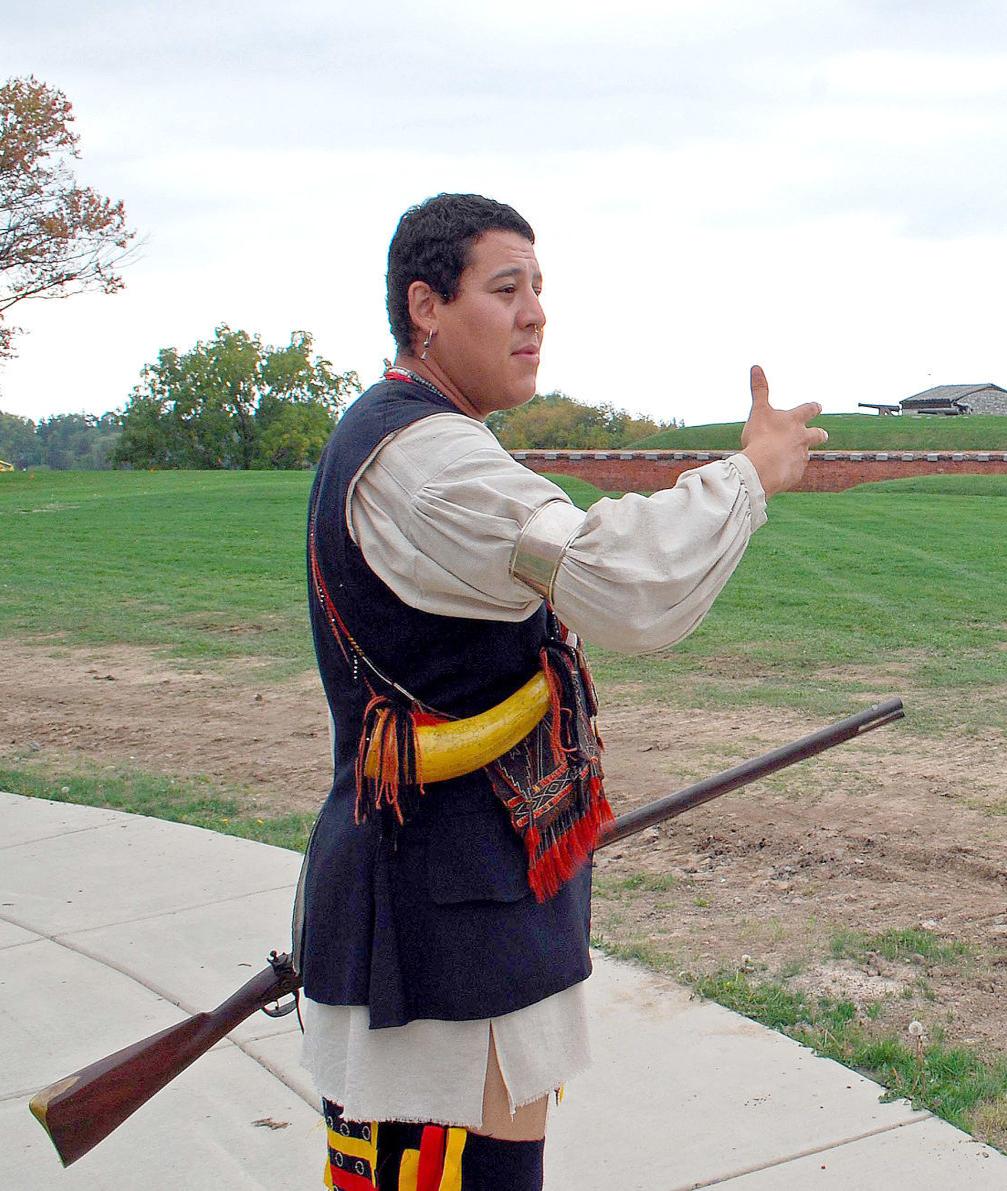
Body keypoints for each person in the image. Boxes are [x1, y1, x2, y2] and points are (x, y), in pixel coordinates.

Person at [295, 192, 825, 1190]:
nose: (535, 313)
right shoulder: (428, 461)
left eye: (539, 288)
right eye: (506, 289)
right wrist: (747, 476)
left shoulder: (429, 440)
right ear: (426, 308)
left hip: (474, 898)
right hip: (437, 926)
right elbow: (621, 581)